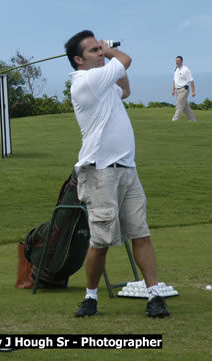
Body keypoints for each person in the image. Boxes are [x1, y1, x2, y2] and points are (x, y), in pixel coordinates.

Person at [64, 30, 170, 318]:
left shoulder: (102, 80)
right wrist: (110, 51)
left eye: (100, 49)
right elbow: (126, 59)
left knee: (141, 233)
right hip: (100, 173)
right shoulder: (85, 82)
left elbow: (125, 88)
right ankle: (90, 297)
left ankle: (154, 295)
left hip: (126, 168)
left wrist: (107, 57)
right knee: (101, 241)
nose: (99, 53)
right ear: (78, 60)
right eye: (93, 50)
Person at [171, 56, 197, 121]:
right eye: (176, 61)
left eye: (178, 61)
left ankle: (174, 120)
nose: (177, 62)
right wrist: (173, 89)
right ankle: (193, 120)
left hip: (184, 90)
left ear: (181, 61)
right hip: (177, 90)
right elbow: (175, 80)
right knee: (185, 107)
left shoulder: (186, 70)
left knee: (179, 105)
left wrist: (193, 91)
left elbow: (191, 80)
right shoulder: (176, 69)